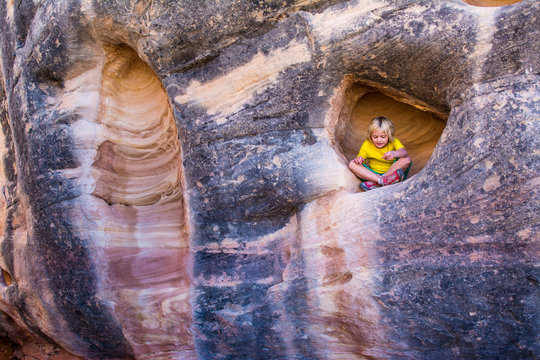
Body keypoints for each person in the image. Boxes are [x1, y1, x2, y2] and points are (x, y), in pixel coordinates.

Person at [348, 116, 411, 191]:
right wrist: (359, 159)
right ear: (370, 136)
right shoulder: (367, 143)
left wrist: (394, 154)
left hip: (392, 174)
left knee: (407, 159)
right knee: (352, 164)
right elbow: (360, 161)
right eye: (375, 137)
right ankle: (382, 181)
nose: (379, 140)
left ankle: (378, 184)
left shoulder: (393, 141)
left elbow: (404, 152)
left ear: (389, 135)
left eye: (383, 137)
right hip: (373, 175)